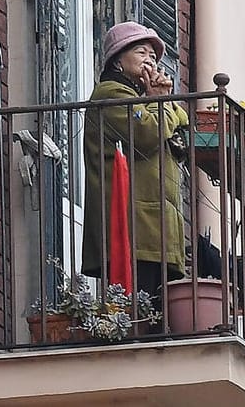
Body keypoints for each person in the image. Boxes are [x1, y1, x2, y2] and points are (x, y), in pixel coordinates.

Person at [82, 22, 188, 310]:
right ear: (118, 59)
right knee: (137, 310)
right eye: (141, 52)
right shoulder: (110, 94)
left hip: (156, 230)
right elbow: (147, 134)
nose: (149, 60)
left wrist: (161, 104)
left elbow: (183, 120)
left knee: (157, 310)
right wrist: (161, 103)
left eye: (153, 57)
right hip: (131, 227)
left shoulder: (148, 103)